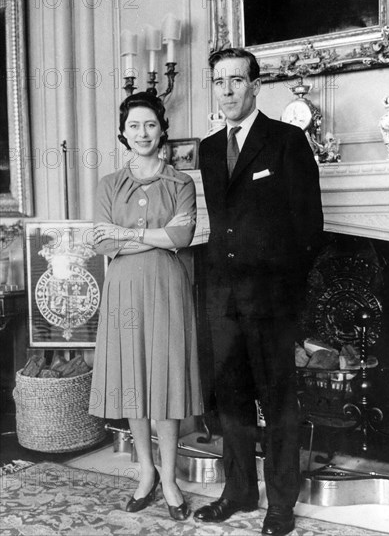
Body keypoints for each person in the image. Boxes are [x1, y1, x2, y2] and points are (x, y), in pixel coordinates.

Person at [193, 49, 323, 536]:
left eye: (236, 80)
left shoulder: (287, 141)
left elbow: (310, 227)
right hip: (223, 300)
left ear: (255, 86)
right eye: (219, 80)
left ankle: (281, 505)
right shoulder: (208, 149)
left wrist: (287, 297)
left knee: (279, 403)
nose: (226, 90)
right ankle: (239, 490)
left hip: (271, 301)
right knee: (231, 401)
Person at [89, 92, 203, 521]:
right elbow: (101, 242)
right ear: (123, 133)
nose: (142, 133)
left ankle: (170, 479)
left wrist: (126, 234)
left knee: (165, 381)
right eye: (134, 126)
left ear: (162, 130)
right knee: (134, 380)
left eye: (150, 125)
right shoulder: (108, 185)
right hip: (124, 291)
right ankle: (147, 474)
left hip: (167, 288)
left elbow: (181, 239)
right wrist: (152, 234)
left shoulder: (181, 183)